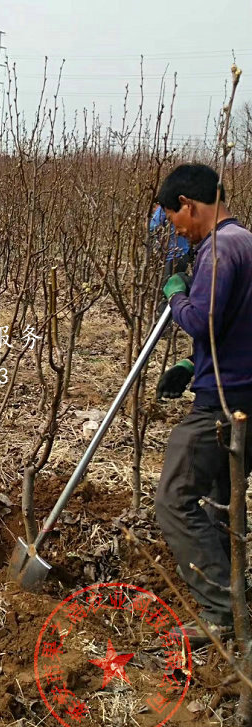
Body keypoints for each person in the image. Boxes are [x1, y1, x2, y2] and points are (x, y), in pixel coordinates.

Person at [154, 163, 252, 647]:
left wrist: (176, 296)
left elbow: (203, 321)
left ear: (189, 206)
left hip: (225, 403)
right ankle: (237, 603)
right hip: (240, 392)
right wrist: (192, 370)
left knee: (174, 498)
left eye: (176, 220)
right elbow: (236, 330)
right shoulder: (246, 242)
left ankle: (222, 613)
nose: (180, 232)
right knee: (218, 502)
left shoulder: (219, 249)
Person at [149, 202, 191, 279]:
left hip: (172, 256)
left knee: (168, 285)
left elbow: (152, 227)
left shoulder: (161, 211)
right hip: (184, 253)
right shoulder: (177, 209)